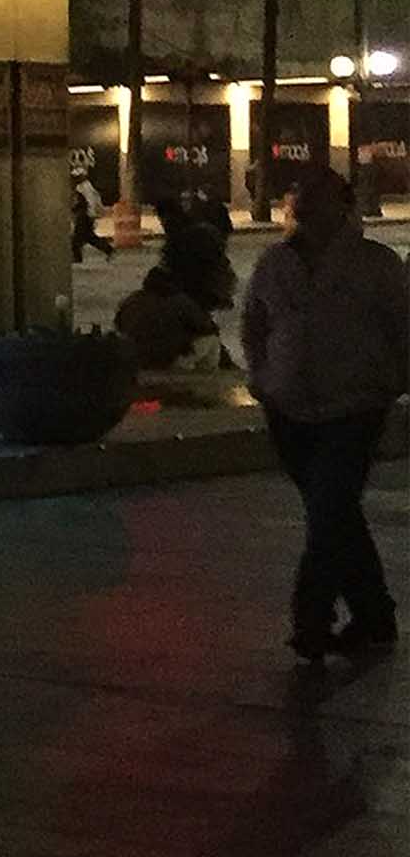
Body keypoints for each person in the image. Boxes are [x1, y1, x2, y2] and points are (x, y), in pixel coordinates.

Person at [240, 166, 410, 662]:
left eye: (315, 199)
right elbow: (254, 324)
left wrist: (395, 379)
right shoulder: (275, 263)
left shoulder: (375, 264)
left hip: (354, 403)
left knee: (330, 508)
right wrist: (263, 379)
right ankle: (374, 613)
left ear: (343, 205)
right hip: (289, 406)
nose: (303, 209)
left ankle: (311, 617)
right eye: (299, 200)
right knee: (335, 513)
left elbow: (402, 326)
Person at [113, 265, 216, 371]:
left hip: (137, 358)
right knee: (212, 339)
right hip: (170, 359)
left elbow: (119, 326)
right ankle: (206, 374)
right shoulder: (180, 301)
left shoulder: (131, 300)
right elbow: (207, 328)